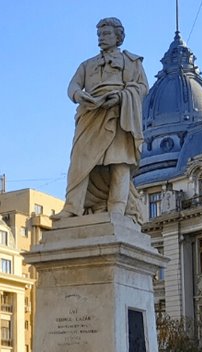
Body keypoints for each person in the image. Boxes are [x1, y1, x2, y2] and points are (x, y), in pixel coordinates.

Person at [53, 17, 148, 223]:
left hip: (119, 115)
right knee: (80, 161)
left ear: (118, 36)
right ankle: (72, 207)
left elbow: (141, 87)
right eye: (99, 35)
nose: (101, 39)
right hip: (90, 114)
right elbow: (72, 87)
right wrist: (79, 95)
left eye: (106, 34)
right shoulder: (87, 65)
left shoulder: (131, 62)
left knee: (119, 163)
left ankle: (116, 211)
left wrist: (121, 96)